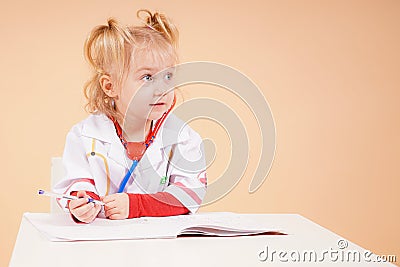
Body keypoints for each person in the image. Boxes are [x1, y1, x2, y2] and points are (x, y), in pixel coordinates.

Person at [53, 9, 207, 223]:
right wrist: (81, 203)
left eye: (168, 76)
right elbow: (77, 182)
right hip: (99, 245)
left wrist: (136, 205)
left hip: (160, 246)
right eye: (147, 77)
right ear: (110, 86)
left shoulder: (183, 138)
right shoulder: (84, 135)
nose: (162, 88)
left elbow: (189, 195)